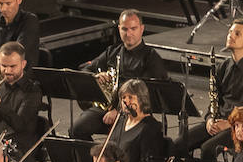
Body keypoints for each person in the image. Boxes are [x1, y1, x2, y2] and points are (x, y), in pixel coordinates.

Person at [171, 18, 243, 161]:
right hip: (219, 121)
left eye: (237, 34)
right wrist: (209, 120)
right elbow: (215, 99)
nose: (230, 36)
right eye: (230, 32)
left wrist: (230, 124)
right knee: (177, 145)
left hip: (241, 127)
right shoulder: (223, 67)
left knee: (208, 149)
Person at [71, 9, 170, 140]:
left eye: (133, 29)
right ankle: (94, 160)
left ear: (142, 29)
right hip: (106, 108)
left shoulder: (151, 57)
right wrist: (96, 77)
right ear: (119, 29)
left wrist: (119, 111)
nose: (128, 33)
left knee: (117, 140)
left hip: (133, 112)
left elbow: (148, 92)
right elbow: (84, 70)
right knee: (76, 129)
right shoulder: (112, 52)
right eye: (124, 29)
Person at [113, 79, 166, 162]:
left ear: (142, 99)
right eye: (123, 97)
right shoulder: (121, 121)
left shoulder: (151, 127)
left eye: (130, 97)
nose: (126, 102)